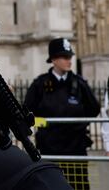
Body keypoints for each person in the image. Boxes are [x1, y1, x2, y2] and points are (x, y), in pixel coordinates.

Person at [24, 37, 100, 189]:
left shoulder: (79, 84)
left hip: (75, 148)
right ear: (53, 59)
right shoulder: (40, 84)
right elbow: (27, 113)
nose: (69, 61)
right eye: (65, 57)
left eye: (70, 57)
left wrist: (79, 124)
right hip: (50, 147)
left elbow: (94, 108)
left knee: (78, 185)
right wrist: (44, 123)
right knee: (50, 185)